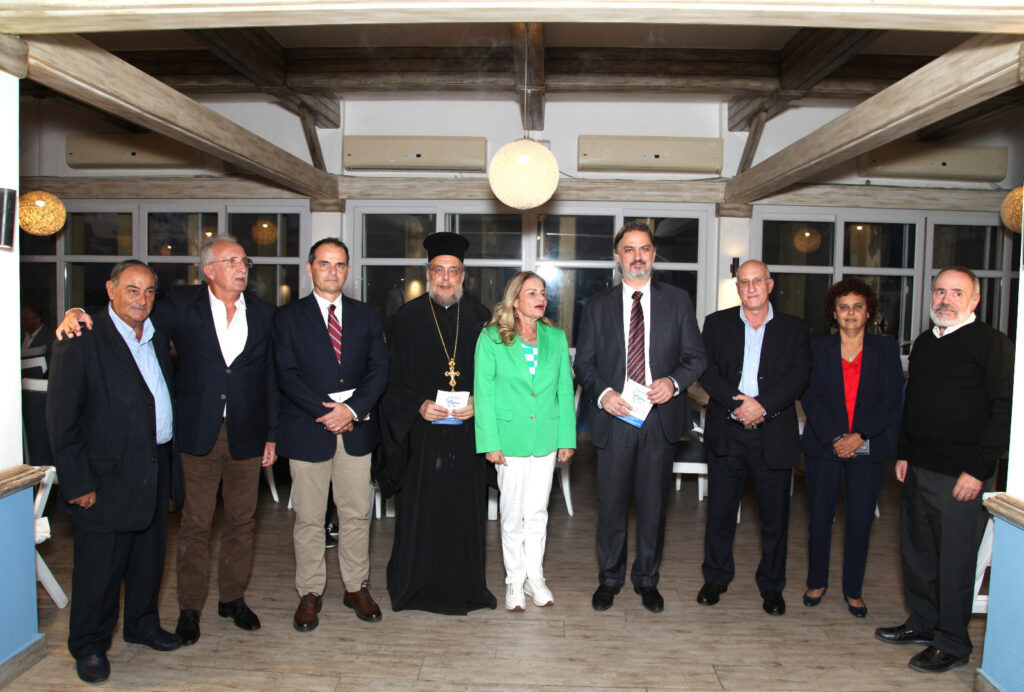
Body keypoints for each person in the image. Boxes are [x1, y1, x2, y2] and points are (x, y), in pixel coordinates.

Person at [58, 236, 278, 646]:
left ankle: (232, 598)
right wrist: (75, 312)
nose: (241, 267)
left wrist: (272, 434)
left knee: (241, 522)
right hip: (196, 435)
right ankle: (190, 607)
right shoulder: (179, 305)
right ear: (209, 270)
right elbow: (126, 314)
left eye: (244, 260)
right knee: (195, 525)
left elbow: (271, 376)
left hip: (248, 435)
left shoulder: (265, 314)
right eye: (231, 261)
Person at [47, 261, 184, 683]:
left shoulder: (156, 334)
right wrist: (78, 482)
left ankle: (142, 625)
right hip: (104, 477)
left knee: (148, 558)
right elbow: (61, 420)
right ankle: (89, 645)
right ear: (110, 290)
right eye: (131, 289)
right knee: (100, 569)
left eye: (148, 291)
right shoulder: (82, 338)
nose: (141, 299)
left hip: (155, 466)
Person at [875, 266, 1012, 674]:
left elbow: (1004, 410)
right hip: (918, 467)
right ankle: (923, 622)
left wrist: (978, 468)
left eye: (956, 293)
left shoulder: (991, 344)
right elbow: (913, 401)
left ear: (974, 300)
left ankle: (952, 642)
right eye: (939, 292)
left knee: (954, 562)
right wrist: (904, 452)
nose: (945, 300)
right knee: (917, 554)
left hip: (961, 476)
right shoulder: (925, 342)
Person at [574, 221, 707, 613]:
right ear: (618, 257)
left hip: (659, 418)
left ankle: (647, 580)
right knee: (612, 507)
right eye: (629, 249)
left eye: (644, 249)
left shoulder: (678, 301)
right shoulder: (597, 305)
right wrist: (604, 394)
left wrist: (674, 383)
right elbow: (584, 364)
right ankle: (610, 579)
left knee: (653, 507)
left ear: (654, 254)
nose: (637, 257)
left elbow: (696, 357)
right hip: (616, 417)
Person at [379, 231, 498, 614]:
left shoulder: (482, 319)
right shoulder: (406, 318)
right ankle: (414, 585)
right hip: (422, 436)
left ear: (464, 275)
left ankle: (466, 586)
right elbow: (389, 380)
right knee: (421, 510)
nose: (446, 278)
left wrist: (480, 403)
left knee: (464, 511)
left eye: (453, 271)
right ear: (428, 273)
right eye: (438, 270)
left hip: (467, 434)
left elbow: (499, 379)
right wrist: (417, 405)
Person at [274, 238, 388, 629]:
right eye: (324, 264)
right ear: (309, 268)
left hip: (355, 428)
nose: (332, 271)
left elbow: (379, 370)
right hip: (309, 429)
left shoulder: (367, 315)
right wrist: (328, 413)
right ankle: (309, 591)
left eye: (339, 265)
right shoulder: (287, 318)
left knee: (356, 513)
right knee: (309, 517)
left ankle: (356, 587)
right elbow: (286, 374)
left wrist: (351, 410)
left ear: (348, 270)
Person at [697, 260, 810, 616]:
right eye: (744, 282)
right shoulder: (716, 324)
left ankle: (773, 586)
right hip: (727, 432)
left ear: (770, 285)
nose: (751, 288)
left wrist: (762, 406)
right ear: (738, 288)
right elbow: (706, 371)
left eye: (757, 281)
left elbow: (800, 376)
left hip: (772, 434)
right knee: (719, 513)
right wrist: (738, 405)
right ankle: (715, 578)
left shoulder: (794, 328)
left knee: (775, 518)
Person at [800, 278, 903, 618]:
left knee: (860, 521)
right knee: (820, 518)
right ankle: (816, 582)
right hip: (823, 446)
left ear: (869, 312)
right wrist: (835, 438)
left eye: (858, 307)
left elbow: (892, 400)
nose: (850, 313)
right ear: (833, 312)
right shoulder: (817, 347)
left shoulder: (885, 349)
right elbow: (809, 396)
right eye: (843, 307)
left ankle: (853, 591)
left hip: (868, 447)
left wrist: (859, 436)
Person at [474, 271, 576, 611]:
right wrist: (490, 442)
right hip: (509, 438)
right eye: (532, 292)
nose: (540, 298)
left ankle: (535, 577)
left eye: (543, 292)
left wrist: (566, 437)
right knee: (512, 513)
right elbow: (484, 394)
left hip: (546, 437)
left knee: (537, 512)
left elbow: (564, 390)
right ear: (515, 300)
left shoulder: (555, 337)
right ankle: (514, 580)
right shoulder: (491, 337)